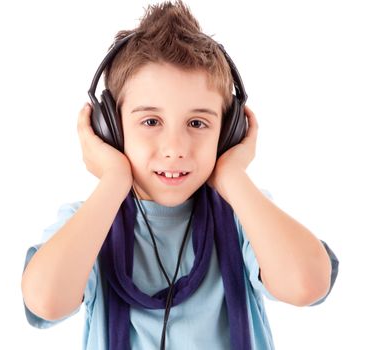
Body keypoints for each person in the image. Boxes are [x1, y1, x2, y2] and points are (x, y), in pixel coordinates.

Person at [21, 1, 339, 349]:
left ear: (229, 131)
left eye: (198, 123)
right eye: (151, 122)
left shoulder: (244, 218)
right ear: (108, 127)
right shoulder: (91, 224)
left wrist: (231, 176)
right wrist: (114, 179)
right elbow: (46, 300)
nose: (175, 147)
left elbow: (307, 283)